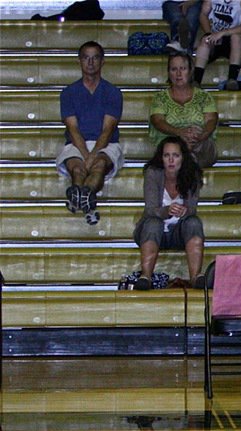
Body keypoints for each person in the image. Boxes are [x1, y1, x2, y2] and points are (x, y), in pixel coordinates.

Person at [58, 41, 124, 227]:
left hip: (106, 143)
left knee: (99, 165)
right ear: (79, 61)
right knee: (77, 168)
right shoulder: (69, 93)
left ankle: (80, 195)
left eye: (95, 57)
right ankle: (87, 201)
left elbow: (108, 129)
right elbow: (73, 129)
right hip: (76, 143)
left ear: (102, 62)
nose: (90, 62)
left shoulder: (113, 92)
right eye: (86, 58)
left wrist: (93, 155)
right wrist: (86, 156)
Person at [133, 137, 206, 290]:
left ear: (183, 158)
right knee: (154, 223)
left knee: (194, 222)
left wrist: (184, 211)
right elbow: (150, 209)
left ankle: (195, 276)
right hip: (151, 230)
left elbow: (192, 208)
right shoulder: (153, 173)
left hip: (179, 232)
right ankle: (145, 276)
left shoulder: (192, 173)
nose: (171, 160)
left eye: (176, 155)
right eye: (167, 156)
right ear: (161, 158)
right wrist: (167, 211)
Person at [149, 50, 218, 169]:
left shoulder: (204, 97)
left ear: (191, 71)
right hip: (171, 147)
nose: (178, 74)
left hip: (201, 144)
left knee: (195, 144)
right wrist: (180, 133)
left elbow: (211, 121)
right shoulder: (160, 98)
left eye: (183, 69)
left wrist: (199, 136)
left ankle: (185, 164)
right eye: (174, 69)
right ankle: (187, 164)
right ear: (169, 73)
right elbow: (158, 121)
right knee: (173, 148)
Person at [193, 0, 241, 91]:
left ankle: (232, 79)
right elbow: (203, 15)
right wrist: (209, 33)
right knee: (205, 40)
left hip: (240, 39)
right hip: (217, 36)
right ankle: (196, 81)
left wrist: (223, 33)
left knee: (236, 38)